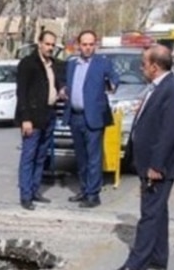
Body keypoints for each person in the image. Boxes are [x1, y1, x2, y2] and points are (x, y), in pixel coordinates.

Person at [109, 45, 174, 270]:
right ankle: (158, 256)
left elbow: (169, 132)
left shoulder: (173, 89)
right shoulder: (157, 87)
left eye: (143, 63)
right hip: (151, 161)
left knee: (149, 213)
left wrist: (157, 166)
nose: (141, 67)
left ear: (155, 66)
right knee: (158, 211)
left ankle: (135, 264)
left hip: (159, 165)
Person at [62, 30, 121, 208]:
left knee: (94, 158)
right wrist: (64, 90)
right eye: (84, 44)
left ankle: (93, 195)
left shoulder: (102, 63)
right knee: (81, 158)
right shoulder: (72, 64)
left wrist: (111, 84)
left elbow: (114, 79)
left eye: (91, 44)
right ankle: (84, 189)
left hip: (94, 118)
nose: (88, 48)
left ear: (95, 45)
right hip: (75, 117)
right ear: (78, 45)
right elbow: (67, 84)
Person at [15, 30, 64, 210]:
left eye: (53, 45)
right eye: (47, 44)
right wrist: (25, 119)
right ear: (40, 44)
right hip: (32, 118)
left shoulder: (53, 65)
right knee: (29, 156)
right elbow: (22, 93)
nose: (50, 47)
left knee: (41, 156)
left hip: (49, 114)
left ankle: (35, 190)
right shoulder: (28, 64)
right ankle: (25, 195)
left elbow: (53, 86)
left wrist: (61, 92)